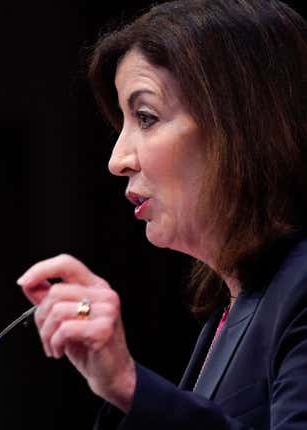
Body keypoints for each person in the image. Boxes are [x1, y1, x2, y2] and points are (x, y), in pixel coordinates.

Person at [16, 0, 307, 428]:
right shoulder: (232, 309)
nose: (118, 159)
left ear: (240, 127)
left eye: (146, 117)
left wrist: (130, 385)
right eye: (123, 124)